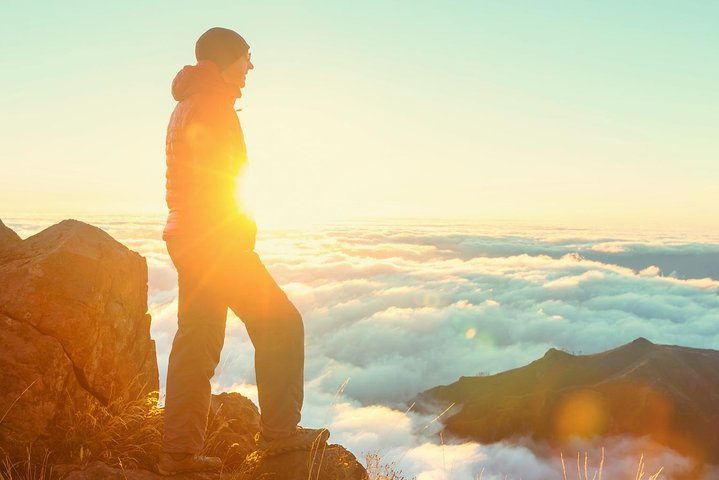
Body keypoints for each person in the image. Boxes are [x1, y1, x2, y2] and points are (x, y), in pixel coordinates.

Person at [156, 27, 329, 475]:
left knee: (197, 340)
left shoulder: (187, 102)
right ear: (225, 59)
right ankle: (279, 436)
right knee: (282, 324)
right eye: (247, 57)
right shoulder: (213, 106)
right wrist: (240, 233)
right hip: (214, 240)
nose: (251, 66)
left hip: (186, 235)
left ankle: (177, 454)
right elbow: (221, 180)